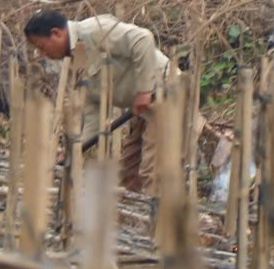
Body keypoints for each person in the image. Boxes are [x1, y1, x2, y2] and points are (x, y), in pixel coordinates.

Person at [24, 10, 171, 193]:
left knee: (152, 172)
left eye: (42, 47)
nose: (44, 54)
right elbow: (93, 109)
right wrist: (75, 150)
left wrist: (144, 90)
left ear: (56, 33)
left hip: (166, 94)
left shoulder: (94, 30)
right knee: (128, 173)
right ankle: (134, 220)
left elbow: (143, 39)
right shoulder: (76, 63)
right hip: (143, 109)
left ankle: (158, 220)